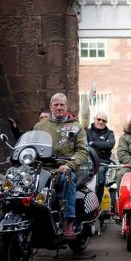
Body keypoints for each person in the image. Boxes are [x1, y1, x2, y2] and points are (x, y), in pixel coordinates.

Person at [34, 93, 89, 239]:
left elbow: (82, 150)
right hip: (44, 167)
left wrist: (69, 165)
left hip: (65, 167)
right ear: (51, 106)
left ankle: (68, 220)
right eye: (56, 105)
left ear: (67, 106)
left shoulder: (76, 127)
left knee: (67, 178)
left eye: (62, 105)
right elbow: (32, 146)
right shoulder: (40, 126)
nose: (59, 108)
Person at [86, 111, 116, 205]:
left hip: (102, 163)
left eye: (103, 120)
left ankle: (97, 204)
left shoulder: (109, 133)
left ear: (106, 122)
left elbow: (110, 145)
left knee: (100, 180)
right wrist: (102, 145)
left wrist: (93, 143)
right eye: (98, 119)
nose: (100, 122)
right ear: (94, 119)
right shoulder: (87, 132)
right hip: (88, 162)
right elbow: (85, 146)